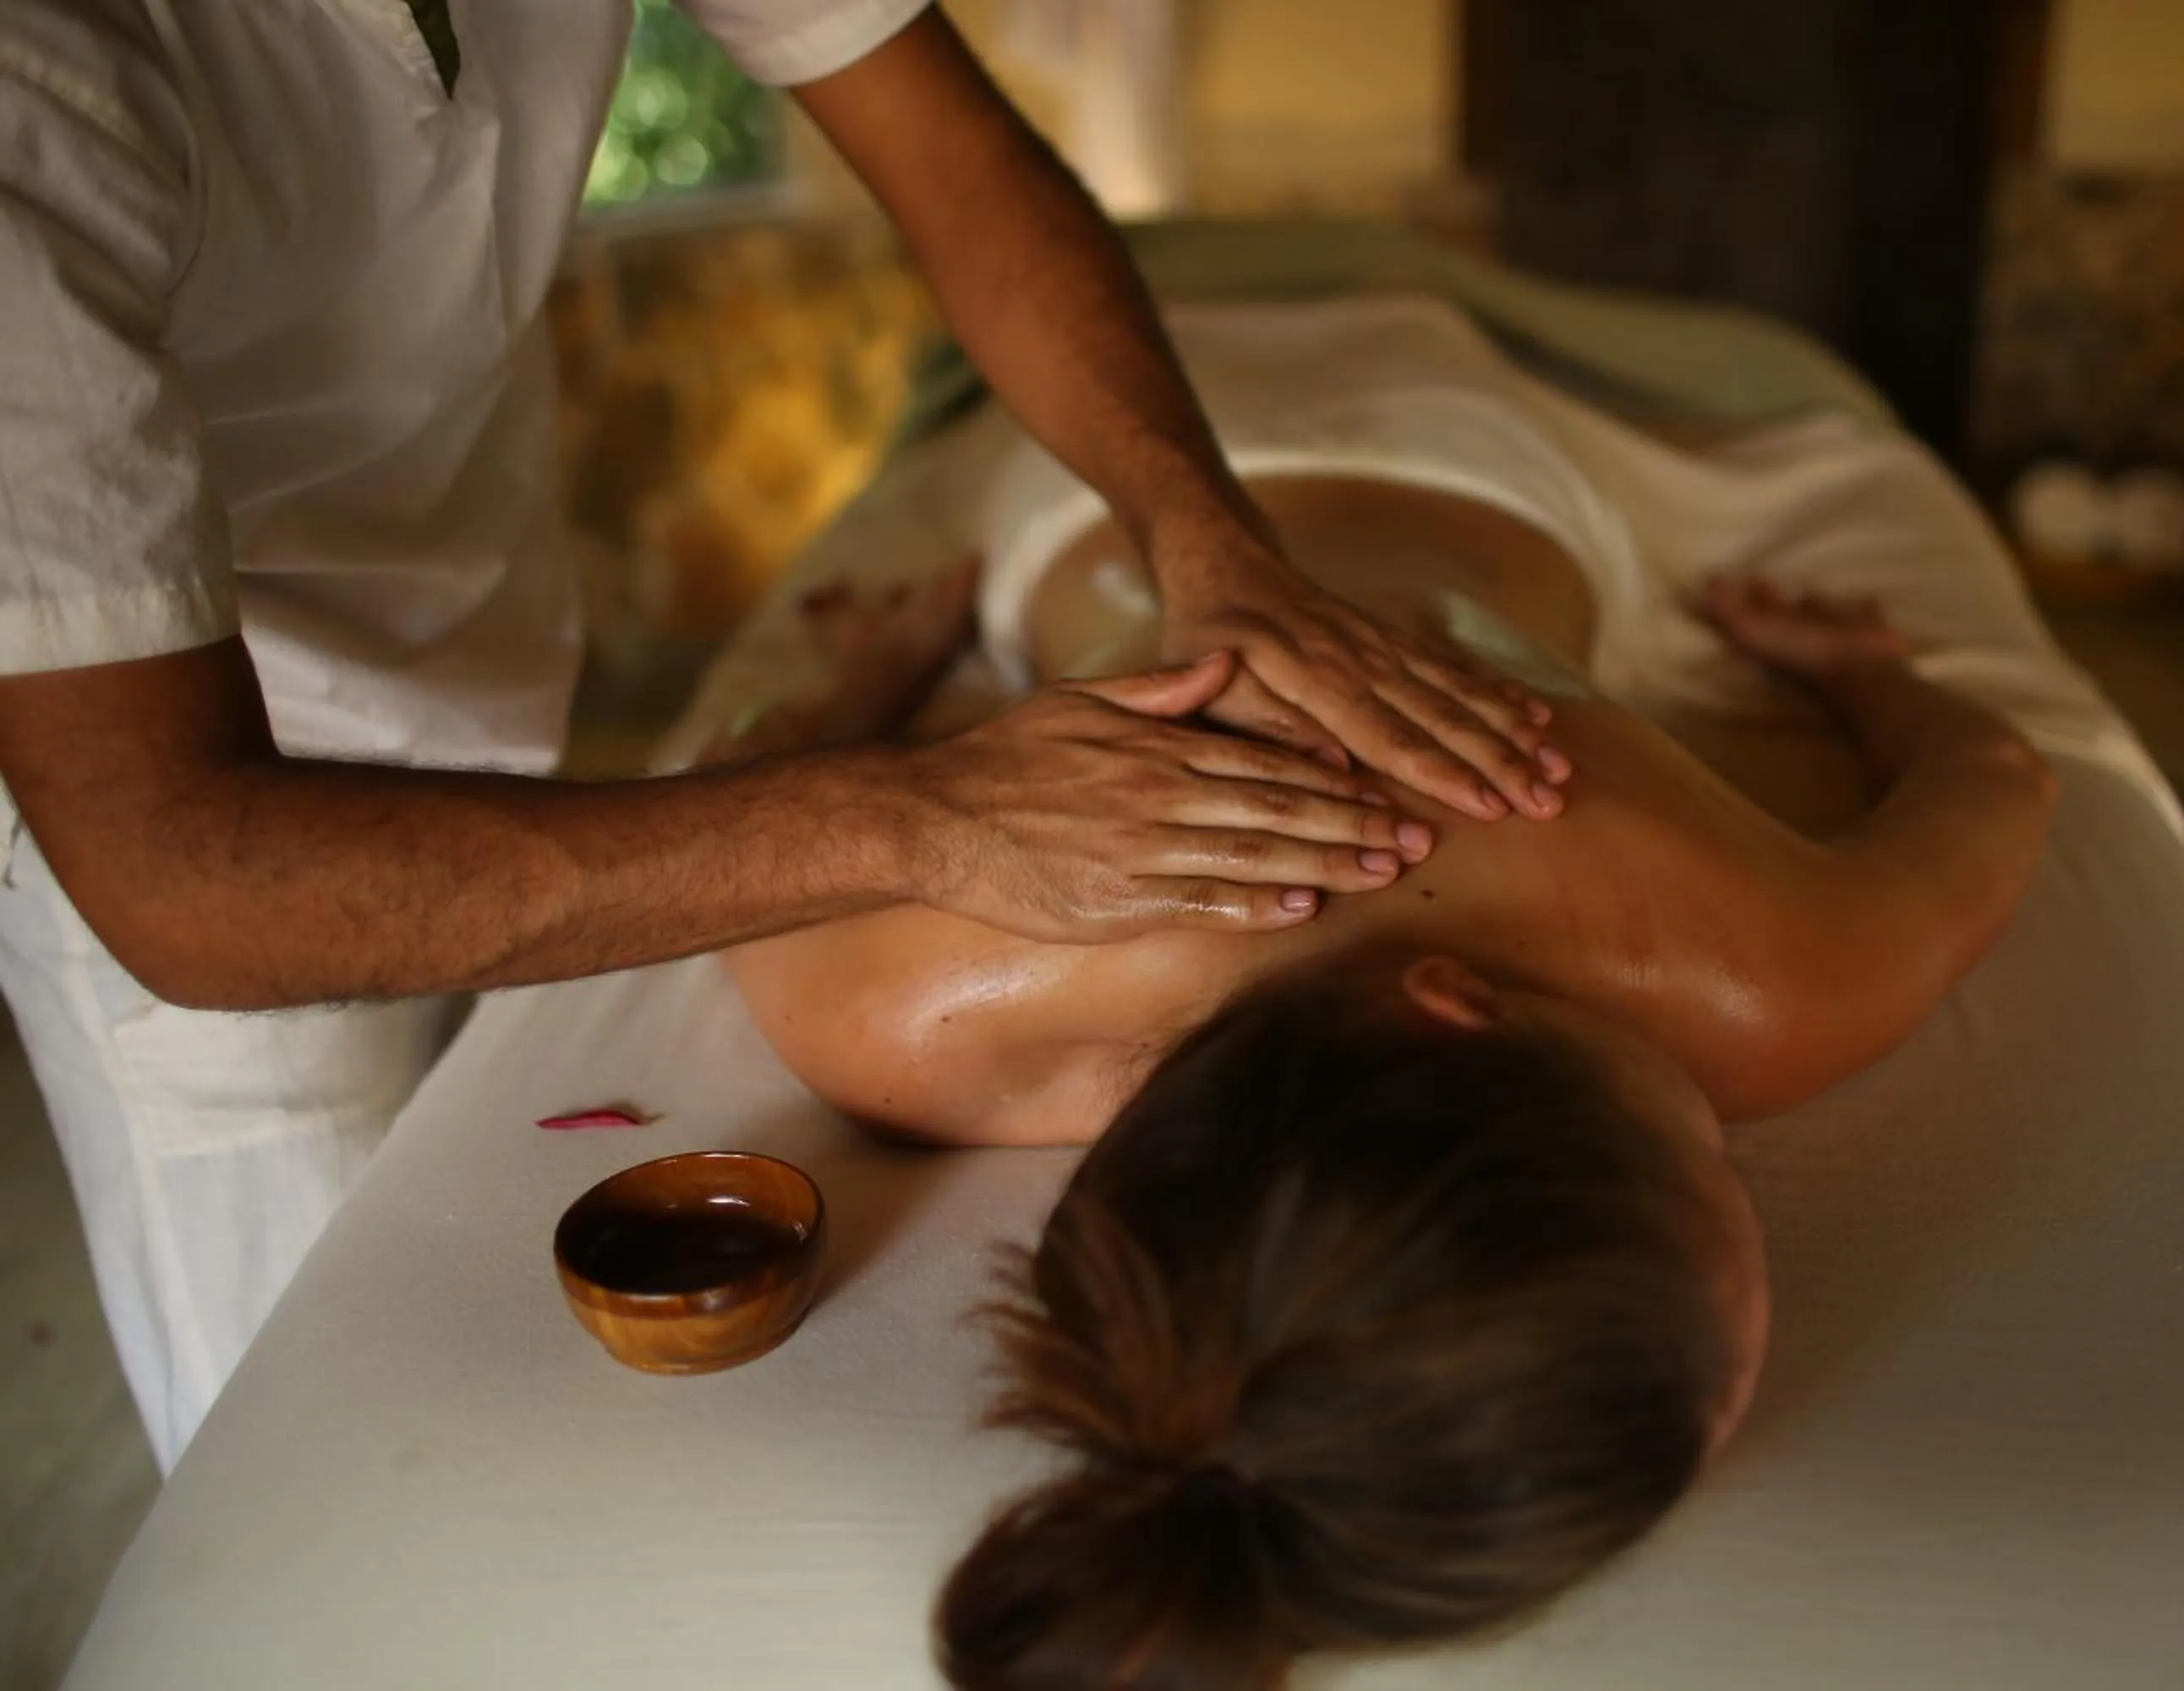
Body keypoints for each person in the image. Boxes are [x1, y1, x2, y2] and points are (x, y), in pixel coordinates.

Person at [0, 3, 1557, 1470]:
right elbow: (181, 875)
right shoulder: (40, 85)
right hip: (172, 768)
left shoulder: (893, 1008)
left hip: (466, 646)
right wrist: (909, 807)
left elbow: (957, 163)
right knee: (313, 1453)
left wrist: (1209, 539)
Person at [709, 297, 2062, 1687]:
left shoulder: (1770, 972)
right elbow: (749, 771)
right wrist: (869, 708)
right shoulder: (898, 1014)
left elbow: (1995, 783)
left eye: (1702, 1158)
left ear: (1453, 1002)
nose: (1723, 1127)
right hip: (1108, 462)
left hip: (1421, 447)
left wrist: (1867, 681)